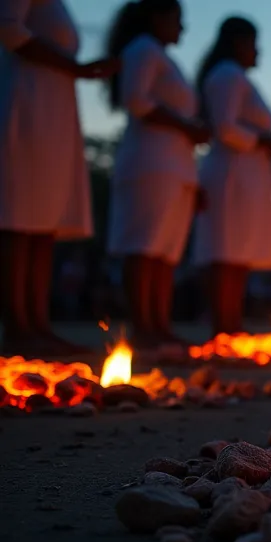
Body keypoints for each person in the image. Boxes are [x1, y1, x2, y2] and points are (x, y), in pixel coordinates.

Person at [0, 0, 116, 355]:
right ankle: (18, 326)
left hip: (52, 109)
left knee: (43, 221)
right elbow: (8, 27)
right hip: (27, 104)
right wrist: (75, 68)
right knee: (20, 217)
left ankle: (37, 322)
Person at [104, 0, 206, 348]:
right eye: (177, 20)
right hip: (150, 160)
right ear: (155, 17)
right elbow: (137, 100)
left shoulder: (164, 57)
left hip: (175, 164)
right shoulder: (143, 50)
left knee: (165, 249)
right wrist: (185, 126)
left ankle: (159, 323)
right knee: (144, 244)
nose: (182, 29)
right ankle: (142, 326)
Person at [192, 16, 271, 337]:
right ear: (238, 43)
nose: (257, 52)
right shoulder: (228, 76)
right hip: (232, 171)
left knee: (239, 248)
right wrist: (262, 141)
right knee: (226, 248)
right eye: (253, 44)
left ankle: (231, 323)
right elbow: (225, 126)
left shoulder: (237, 78)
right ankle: (223, 325)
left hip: (248, 171)